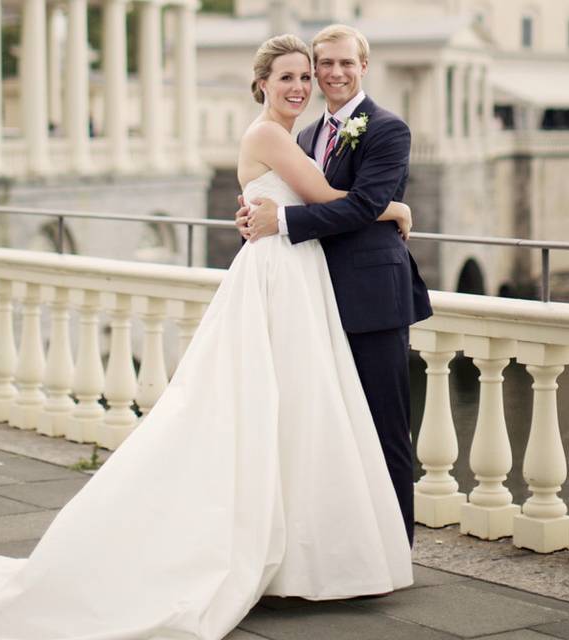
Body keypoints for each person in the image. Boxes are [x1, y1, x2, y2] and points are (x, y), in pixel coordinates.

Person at [0, 34, 413, 640]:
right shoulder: (276, 135)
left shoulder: (311, 134)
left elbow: (304, 202)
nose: (303, 85)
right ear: (262, 85)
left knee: (295, 416)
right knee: (280, 411)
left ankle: (314, 553)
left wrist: (292, 214)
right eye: (290, 77)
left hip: (299, 279)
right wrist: (396, 212)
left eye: (309, 75)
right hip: (281, 280)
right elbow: (333, 199)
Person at [236, 24, 432, 546]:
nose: (333, 73)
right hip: (310, 295)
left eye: (346, 63)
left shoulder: (388, 129)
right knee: (329, 428)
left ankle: (394, 547)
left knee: (384, 427)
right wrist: (261, 217)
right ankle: (344, 544)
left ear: (363, 66)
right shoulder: (300, 136)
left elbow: (363, 204)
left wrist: (282, 222)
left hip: (371, 297)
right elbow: (308, 197)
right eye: (324, 65)